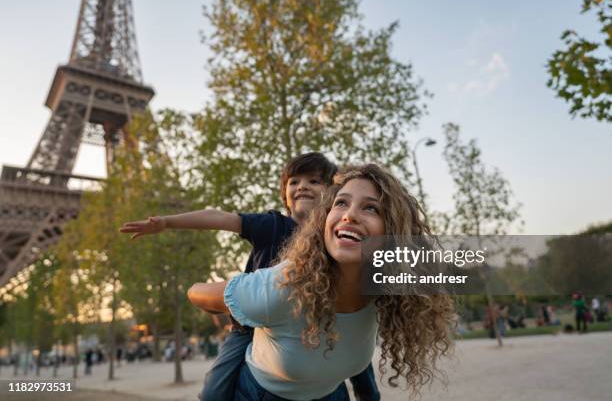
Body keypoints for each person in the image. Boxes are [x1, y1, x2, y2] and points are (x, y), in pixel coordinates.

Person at [121, 154, 380, 400]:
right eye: (294, 182)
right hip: (251, 324)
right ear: (285, 197)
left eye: (314, 181)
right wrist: (167, 223)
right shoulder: (272, 225)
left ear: (331, 197)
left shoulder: (338, 237)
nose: (303, 187)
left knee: (359, 363)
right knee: (213, 393)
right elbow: (220, 217)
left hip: (323, 319)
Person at [188, 164, 455, 400]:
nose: (349, 215)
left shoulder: (392, 289)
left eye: (371, 208)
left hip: (331, 392)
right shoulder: (282, 287)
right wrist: (240, 310)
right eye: (341, 203)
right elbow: (195, 293)